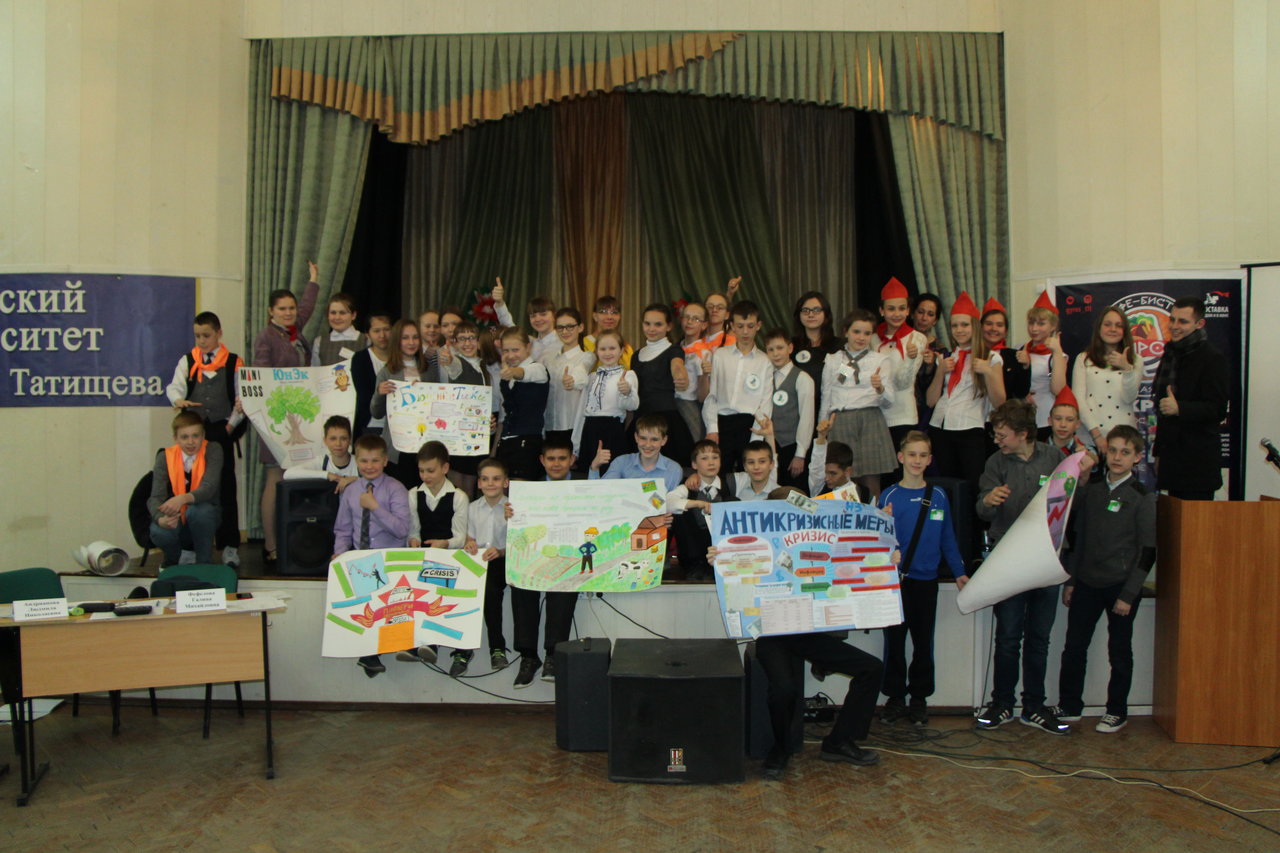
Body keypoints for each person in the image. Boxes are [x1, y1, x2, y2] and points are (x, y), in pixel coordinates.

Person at [716, 489, 884, 781]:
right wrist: (719, 556)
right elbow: (734, 569)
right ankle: (780, 749)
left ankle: (839, 741)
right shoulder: (759, 543)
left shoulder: (819, 540)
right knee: (783, 689)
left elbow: (856, 557)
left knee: (872, 668)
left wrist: (885, 552)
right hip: (772, 632)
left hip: (808, 629)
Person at [974, 399, 1079, 734]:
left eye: (1002, 435)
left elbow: (1070, 503)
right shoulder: (995, 462)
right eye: (995, 434)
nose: (997, 440)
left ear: (1023, 433)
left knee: (1039, 638)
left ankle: (1034, 706)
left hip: (1047, 559)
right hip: (1009, 560)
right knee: (1007, 637)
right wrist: (989, 501)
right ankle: (1002, 703)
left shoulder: (1054, 457)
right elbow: (981, 510)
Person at [1049, 425, 1156, 734]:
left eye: (1125, 452)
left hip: (1120, 587)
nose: (1117, 457)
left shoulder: (1142, 498)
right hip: (1086, 582)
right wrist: (1071, 580)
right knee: (1074, 646)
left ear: (1137, 458)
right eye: (1113, 451)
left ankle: (1116, 711)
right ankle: (1070, 705)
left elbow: (1147, 551)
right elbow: (1077, 537)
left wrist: (1128, 594)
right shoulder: (1092, 490)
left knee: (1119, 651)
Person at [877, 431, 967, 726]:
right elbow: (876, 541)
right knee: (894, 642)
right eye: (912, 454)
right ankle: (894, 697)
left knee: (923, 642)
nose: (917, 460)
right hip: (895, 583)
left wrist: (959, 572)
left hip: (926, 582)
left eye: (922, 455)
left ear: (930, 460)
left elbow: (947, 538)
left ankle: (919, 698)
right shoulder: (889, 496)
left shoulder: (938, 496)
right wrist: (885, 545)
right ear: (901, 457)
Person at [252, 262, 320, 567]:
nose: (289, 312)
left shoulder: (295, 331)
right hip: (275, 416)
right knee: (274, 477)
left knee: (296, 477)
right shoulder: (266, 337)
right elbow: (262, 375)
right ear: (271, 311)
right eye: (282, 309)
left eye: (291, 308)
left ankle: (296, 542)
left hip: (300, 418)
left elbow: (307, 307)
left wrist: (313, 280)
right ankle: (270, 545)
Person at [165, 311, 244, 568]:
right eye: (198, 336)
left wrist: (230, 426)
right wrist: (179, 400)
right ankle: (189, 547)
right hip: (194, 433)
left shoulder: (233, 362)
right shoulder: (188, 361)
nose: (201, 341)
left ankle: (230, 547)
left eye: (206, 335)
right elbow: (175, 387)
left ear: (219, 333)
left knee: (226, 489)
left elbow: (242, 398)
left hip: (221, 431)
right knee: (189, 488)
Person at [330, 433, 412, 678]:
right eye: (364, 461)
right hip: (362, 559)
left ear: (385, 461)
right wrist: (339, 554)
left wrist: (374, 507)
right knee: (365, 611)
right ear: (356, 461)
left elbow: (401, 529)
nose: (369, 466)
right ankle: (369, 655)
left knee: (391, 611)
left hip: (391, 559)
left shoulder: (396, 489)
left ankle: (391, 648)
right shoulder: (350, 491)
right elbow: (343, 529)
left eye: (375, 460)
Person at [509, 436, 584, 687]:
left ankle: (554, 654)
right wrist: (511, 515)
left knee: (565, 583)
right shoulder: (528, 492)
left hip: (571, 557)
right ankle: (528, 656)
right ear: (542, 460)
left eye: (562, 458)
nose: (556, 464)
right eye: (551, 458)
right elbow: (520, 531)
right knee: (520, 582)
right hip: (537, 556)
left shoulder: (587, 487)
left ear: (572, 460)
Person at [400, 441, 471, 675]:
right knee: (412, 593)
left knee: (436, 594)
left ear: (445, 468)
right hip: (422, 557)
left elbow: (460, 536)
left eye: (430, 470)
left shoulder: (459, 497)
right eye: (421, 471)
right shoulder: (413, 494)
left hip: (449, 559)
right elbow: (413, 530)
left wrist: (445, 544)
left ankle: (431, 643)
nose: (425, 476)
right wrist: (413, 540)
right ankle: (415, 642)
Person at [926, 292, 1006, 499]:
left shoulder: (991, 357)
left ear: (975, 326)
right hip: (940, 427)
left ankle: (972, 521)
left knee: (972, 486)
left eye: (964, 325)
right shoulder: (946, 357)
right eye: (954, 326)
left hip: (970, 428)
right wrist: (940, 371)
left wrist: (987, 372)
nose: (959, 330)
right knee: (947, 486)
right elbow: (931, 401)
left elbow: (1000, 401)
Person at [1152, 297, 1230, 500]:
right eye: (1172, 319)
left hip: (1198, 465)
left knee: (1195, 520)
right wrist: (1159, 453)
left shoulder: (1212, 358)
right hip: (1172, 459)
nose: (1174, 326)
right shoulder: (1170, 354)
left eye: (1183, 321)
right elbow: (1163, 410)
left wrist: (1180, 408)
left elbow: (1218, 409)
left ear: (1199, 323)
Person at [821, 308, 896, 501]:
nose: (861, 337)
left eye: (867, 333)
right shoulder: (833, 359)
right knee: (842, 480)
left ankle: (873, 516)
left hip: (870, 419)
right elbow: (826, 395)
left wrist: (880, 388)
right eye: (856, 332)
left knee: (871, 481)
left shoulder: (880, 360)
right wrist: (823, 426)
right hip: (841, 419)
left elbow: (889, 402)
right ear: (845, 331)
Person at [148, 411, 223, 567]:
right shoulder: (164, 456)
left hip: (204, 516)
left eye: (195, 436)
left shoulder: (213, 450)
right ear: (175, 438)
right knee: (158, 531)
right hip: (176, 517)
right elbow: (155, 497)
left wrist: (182, 499)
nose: (190, 442)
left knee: (200, 511)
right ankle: (173, 559)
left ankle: (204, 563)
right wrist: (160, 519)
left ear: (203, 436)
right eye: (184, 437)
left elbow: (208, 488)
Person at [703, 300, 771, 472]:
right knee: (720, 474)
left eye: (750, 326)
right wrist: (712, 428)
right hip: (723, 422)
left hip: (749, 424)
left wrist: (756, 436)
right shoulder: (720, 355)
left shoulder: (764, 361)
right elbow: (712, 395)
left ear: (758, 325)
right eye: (740, 326)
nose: (745, 331)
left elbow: (765, 402)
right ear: (732, 326)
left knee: (748, 475)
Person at [463, 457, 514, 673]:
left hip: (503, 561)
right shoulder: (472, 508)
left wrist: (500, 551)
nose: (490, 483)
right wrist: (469, 544)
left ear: (505, 482)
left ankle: (497, 648)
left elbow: (520, 542)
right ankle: (462, 649)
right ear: (479, 483)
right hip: (478, 561)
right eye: (485, 479)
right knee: (461, 588)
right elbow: (469, 538)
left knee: (490, 590)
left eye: (496, 479)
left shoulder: (512, 508)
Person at [369, 319, 432, 488]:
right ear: (397, 341)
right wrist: (379, 393)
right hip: (398, 447)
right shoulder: (387, 372)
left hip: (424, 444)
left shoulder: (429, 370)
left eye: (415, 337)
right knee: (400, 493)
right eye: (405, 338)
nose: (411, 342)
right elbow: (376, 413)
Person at [1070, 305, 1144, 446]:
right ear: (1099, 328)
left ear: (1125, 330)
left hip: (1123, 438)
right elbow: (1078, 399)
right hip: (1090, 437)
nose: (1113, 329)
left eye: (1119, 325)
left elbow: (1129, 398)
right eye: (1107, 324)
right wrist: (1097, 436)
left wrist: (1127, 369)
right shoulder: (1084, 358)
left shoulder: (1135, 360)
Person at [630, 303, 693, 467]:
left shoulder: (674, 350)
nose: (651, 329)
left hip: (665, 421)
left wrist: (681, 377)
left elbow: (677, 366)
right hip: (641, 420)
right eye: (647, 323)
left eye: (658, 324)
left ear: (669, 326)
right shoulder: (636, 356)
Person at [666, 440, 736, 581]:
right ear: (694, 464)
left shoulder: (730, 484)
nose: (711, 463)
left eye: (715, 457)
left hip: (725, 557)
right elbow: (667, 502)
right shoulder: (687, 487)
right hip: (694, 560)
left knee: (734, 502)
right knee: (681, 512)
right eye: (704, 458)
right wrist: (696, 503)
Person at [435, 320, 491, 496]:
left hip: (477, 436)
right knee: (458, 492)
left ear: (478, 341)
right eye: (462, 339)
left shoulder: (482, 365)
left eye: (471, 338)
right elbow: (452, 365)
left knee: (471, 489)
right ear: (455, 343)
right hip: (459, 436)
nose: (467, 343)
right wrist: (448, 359)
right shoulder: (459, 363)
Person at [876, 278, 929, 459]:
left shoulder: (917, 339)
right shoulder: (873, 338)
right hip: (877, 414)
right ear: (882, 310)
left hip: (903, 414)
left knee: (902, 465)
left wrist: (910, 359)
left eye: (901, 308)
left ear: (908, 310)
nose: (896, 313)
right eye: (891, 309)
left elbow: (902, 383)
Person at [571, 329, 636, 474]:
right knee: (589, 474)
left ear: (621, 350)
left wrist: (627, 392)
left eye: (612, 348)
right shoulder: (591, 377)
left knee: (612, 474)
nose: (607, 353)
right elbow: (582, 412)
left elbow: (633, 405)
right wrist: (575, 446)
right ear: (596, 351)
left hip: (613, 431)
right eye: (603, 349)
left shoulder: (628, 375)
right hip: (590, 431)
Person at [494, 327, 550, 482]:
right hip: (506, 441)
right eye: (506, 351)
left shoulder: (538, 369)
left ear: (528, 347)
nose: (511, 355)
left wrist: (513, 372)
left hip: (528, 442)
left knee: (521, 490)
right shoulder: (506, 374)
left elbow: (524, 373)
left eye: (515, 350)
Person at [762, 328, 815, 491]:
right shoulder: (765, 377)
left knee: (794, 495)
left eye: (780, 348)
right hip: (770, 446)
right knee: (772, 493)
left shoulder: (802, 378)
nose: (775, 354)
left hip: (792, 446)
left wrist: (800, 454)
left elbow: (807, 418)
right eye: (770, 350)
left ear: (790, 348)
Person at [1015, 291, 1068, 440]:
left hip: (1046, 419)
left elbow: (1058, 390)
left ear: (1053, 326)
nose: (1034, 328)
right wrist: (1022, 394)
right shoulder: (1019, 349)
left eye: (1041, 323)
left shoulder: (1058, 355)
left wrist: (1057, 352)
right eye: (1031, 322)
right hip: (1021, 419)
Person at [589, 413, 685, 492]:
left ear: (664, 440)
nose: (648, 445)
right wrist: (594, 467)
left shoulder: (673, 469)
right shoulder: (621, 462)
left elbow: (672, 502)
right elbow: (602, 493)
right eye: (643, 438)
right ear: (636, 437)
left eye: (654, 439)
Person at [541, 307, 592, 447]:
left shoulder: (586, 356)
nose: (565, 331)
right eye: (560, 327)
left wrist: (572, 381)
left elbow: (581, 373)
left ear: (580, 327)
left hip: (572, 425)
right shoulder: (548, 359)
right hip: (548, 424)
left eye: (570, 326)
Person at [791, 291, 841, 428]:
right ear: (798, 315)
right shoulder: (791, 346)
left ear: (826, 314)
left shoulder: (839, 346)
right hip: (798, 412)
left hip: (832, 413)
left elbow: (847, 375)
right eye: (805, 310)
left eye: (816, 310)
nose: (811, 314)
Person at [282, 415, 359, 491]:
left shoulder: (359, 462)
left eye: (343, 438)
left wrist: (356, 479)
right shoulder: (321, 462)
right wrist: (327, 475)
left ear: (350, 440)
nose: (338, 444)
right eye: (333, 439)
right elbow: (288, 474)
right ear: (325, 440)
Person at [351, 313, 394, 438]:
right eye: (376, 331)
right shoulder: (360, 358)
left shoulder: (402, 356)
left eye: (386, 329)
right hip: (371, 424)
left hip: (398, 423)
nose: (382, 335)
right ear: (367, 334)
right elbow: (363, 395)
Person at [675, 301, 711, 444]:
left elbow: (703, 396)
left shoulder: (703, 353)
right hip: (672, 404)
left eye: (696, 319)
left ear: (704, 325)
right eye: (687, 317)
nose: (689, 322)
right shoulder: (676, 348)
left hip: (690, 405)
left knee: (692, 445)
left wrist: (704, 375)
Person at [910, 293, 946, 429]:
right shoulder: (901, 341)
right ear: (912, 314)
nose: (924, 318)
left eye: (930, 314)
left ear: (935, 320)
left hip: (927, 411)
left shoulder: (940, 349)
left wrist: (931, 365)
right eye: (920, 312)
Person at [311, 292, 369, 366]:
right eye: (333, 313)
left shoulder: (366, 341)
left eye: (342, 313)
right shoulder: (319, 342)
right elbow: (315, 370)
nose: (337, 317)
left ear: (353, 315)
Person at [583, 295, 633, 368]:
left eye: (614, 312)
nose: (609, 317)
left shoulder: (626, 348)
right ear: (595, 316)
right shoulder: (583, 344)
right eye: (603, 312)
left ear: (619, 317)